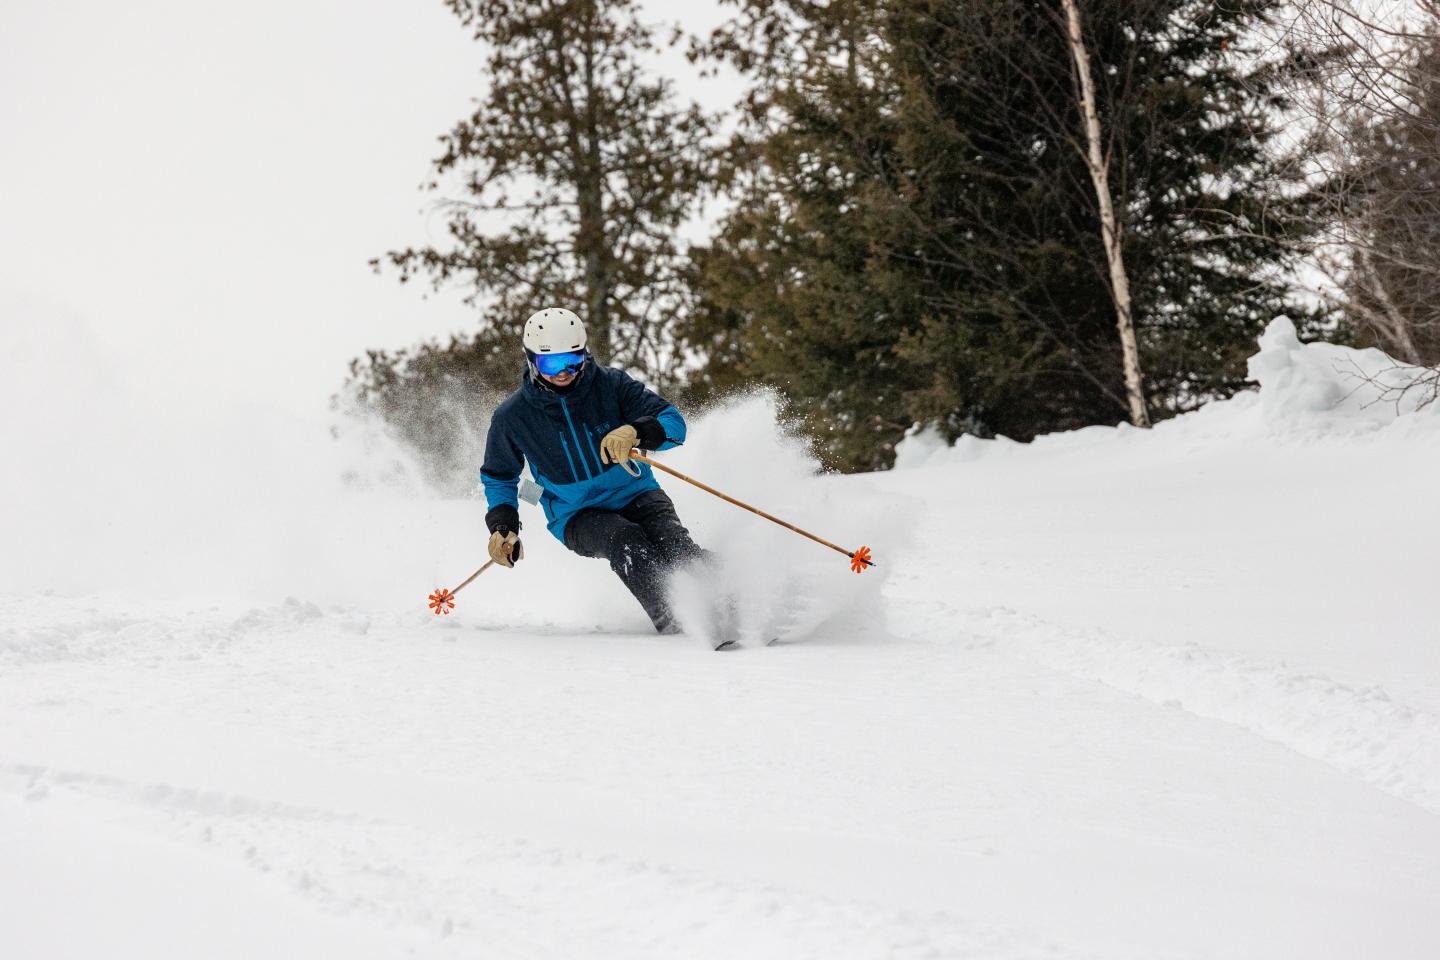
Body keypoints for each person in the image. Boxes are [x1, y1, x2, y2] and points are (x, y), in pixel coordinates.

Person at [479, 306, 707, 633]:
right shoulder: (513, 416)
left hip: (636, 492)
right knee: (627, 540)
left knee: (676, 547)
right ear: (531, 361)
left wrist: (637, 431)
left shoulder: (612, 385)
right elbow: (500, 476)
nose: (563, 372)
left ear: (585, 354)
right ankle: (679, 620)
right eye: (550, 363)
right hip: (575, 514)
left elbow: (674, 425)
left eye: (572, 360)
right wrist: (503, 525)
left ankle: (738, 592)